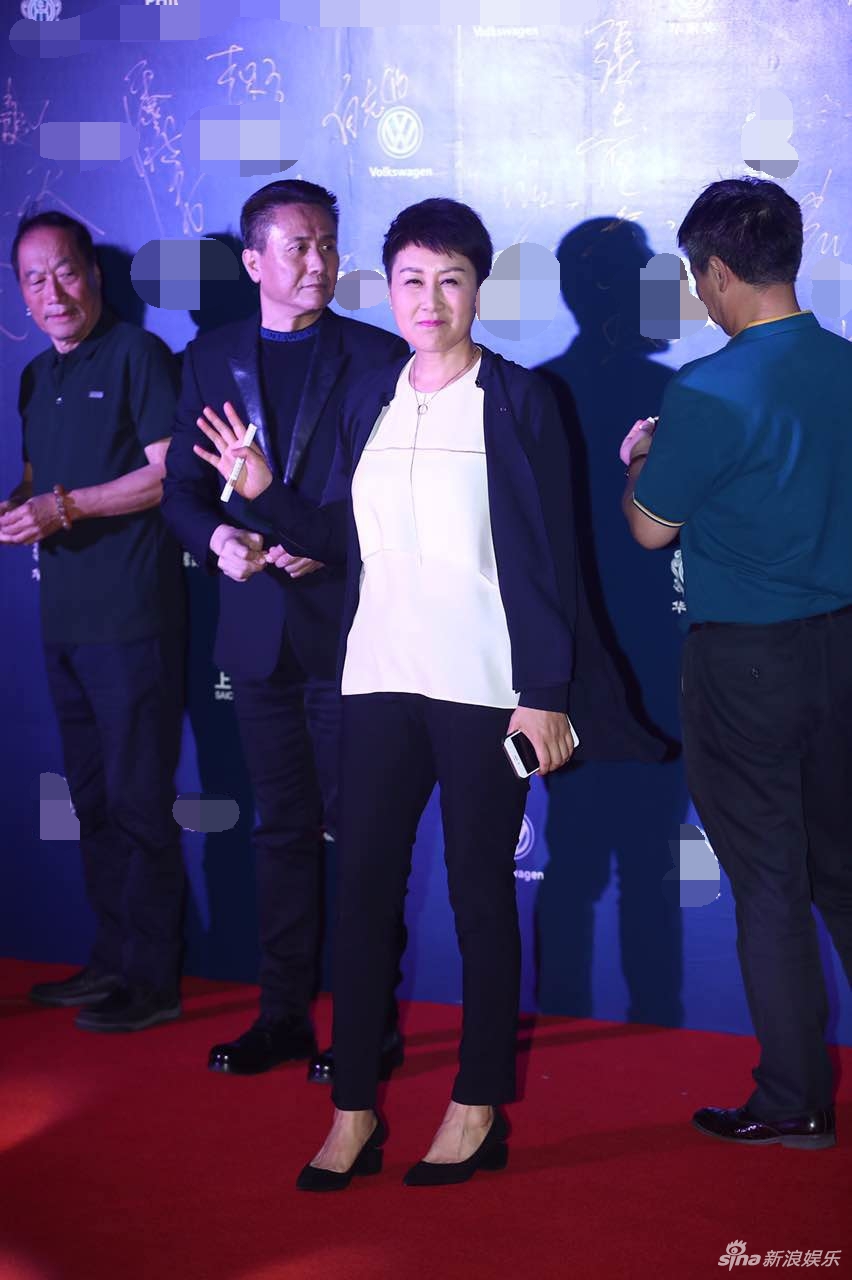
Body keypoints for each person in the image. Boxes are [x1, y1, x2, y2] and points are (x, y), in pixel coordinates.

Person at [193, 196, 664, 1188]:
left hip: (484, 688)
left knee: (480, 894)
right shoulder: (372, 392)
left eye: (451, 279)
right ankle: (353, 1108)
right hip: (375, 679)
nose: (430, 299)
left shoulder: (520, 399)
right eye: (412, 279)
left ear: (479, 290)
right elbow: (340, 537)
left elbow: (553, 559)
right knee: (362, 896)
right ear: (389, 287)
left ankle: (476, 1104)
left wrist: (546, 691)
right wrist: (265, 492)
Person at [161, 179, 409, 1081]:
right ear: (253, 261)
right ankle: (282, 1016)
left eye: (329, 244)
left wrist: (328, 545)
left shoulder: (378, 356)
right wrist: (219, 540)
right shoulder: (209, 358)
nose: (319, 261)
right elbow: (182, 493)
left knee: (363, 837)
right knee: (278, 832)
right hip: (257, 635)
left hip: (351, 630)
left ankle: (369, 1025)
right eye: (299, 246)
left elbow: (396, 497)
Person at [622, 177, 852, 1150]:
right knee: (845, 872)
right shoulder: (845, 366)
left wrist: (642, 456)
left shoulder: (706, 390)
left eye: (696, 278)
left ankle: (795, 1096)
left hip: (746, 663)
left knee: (769, 883)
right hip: (843, 651)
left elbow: (649, 528)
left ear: (718, 272)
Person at [0, 210, 186, 1032]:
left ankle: (153, 979)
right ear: (21, 294)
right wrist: (20, 506)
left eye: (66, 271)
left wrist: (64, 507)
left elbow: (165, 478)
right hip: (63, 622)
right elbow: (38, 477)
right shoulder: (34, 376)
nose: (54, 292)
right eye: (34, 280)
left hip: (132, 618)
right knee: (93, 801)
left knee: (140, 802)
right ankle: (111, 960)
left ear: (94, 276)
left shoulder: (138, 355)